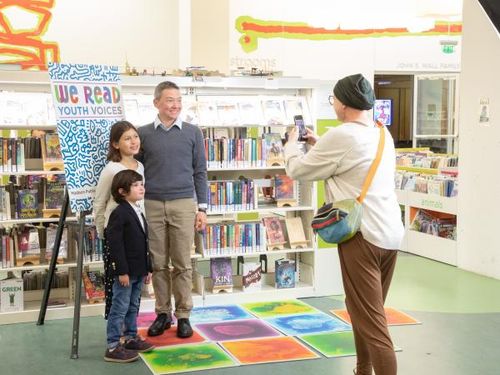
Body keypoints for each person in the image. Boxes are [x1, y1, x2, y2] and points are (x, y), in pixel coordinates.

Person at [284, 74, 404, 375]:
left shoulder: (342, 135)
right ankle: (362, 369)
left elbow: (298, 169)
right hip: (390, 233)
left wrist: (289, 145)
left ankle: (370, 368)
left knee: (374, 323)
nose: (333, 104)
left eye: (333, 99)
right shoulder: (382, 132)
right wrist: (319, 143)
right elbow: (354, 160)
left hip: (362, 235)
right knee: (362, 310)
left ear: (343, 103)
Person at [136, 81, 208, 339]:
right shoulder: (142, 134)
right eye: (169, 100)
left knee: (182, 262)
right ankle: (162, 313)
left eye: (178, 100)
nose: (175, 105)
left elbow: (200, 171)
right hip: (152, 204)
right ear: (156, 103)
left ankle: (184, 315)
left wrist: (202, 208)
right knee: (158, 263)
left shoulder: (192, 132)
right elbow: (135, 171)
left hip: (184, 203)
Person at [93, 120, 144, 319]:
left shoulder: (140, 166)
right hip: (117, 233)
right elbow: (100, 202)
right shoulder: (111, 169)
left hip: (136, 233)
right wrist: (101, 232)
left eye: (136, 137)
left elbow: (141, 200)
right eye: (127, 138)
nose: (133, 142)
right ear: (116, 144)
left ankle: (129, 331)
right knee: (118, 285)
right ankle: (117, 334)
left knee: (135, 286)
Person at [104, 169, 154, 363]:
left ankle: (131, 337)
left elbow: (144, 242)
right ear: (122, 191)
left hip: (138, 270)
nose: (141, 187)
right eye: (135, 185)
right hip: (126, 272)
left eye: (141, 184)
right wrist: (121, 271)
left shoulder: (138, 211)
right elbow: (115, 246)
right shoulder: (119, 213)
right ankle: (113, 345)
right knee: (120, 307)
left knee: (133, 305)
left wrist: (148, 268)